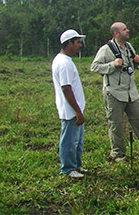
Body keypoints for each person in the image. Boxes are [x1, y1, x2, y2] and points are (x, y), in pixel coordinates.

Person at [90, 22, 139, 162]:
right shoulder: (106, 49)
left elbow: (130, 66)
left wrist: (137, 62)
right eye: (124, 29)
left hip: (130, 92)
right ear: (116, 33)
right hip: (114, 92)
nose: (127, 31)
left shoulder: (129, 47)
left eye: (127, 28)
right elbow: (94, 67)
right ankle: (118, 154)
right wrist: (112, 65)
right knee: (116, 124)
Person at [52, 29, 88, 179]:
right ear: (69, 43)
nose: (80, 45)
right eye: (77, 42)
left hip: (75, 109)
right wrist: (77, 111)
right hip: (71, 111)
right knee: (69, 141)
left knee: (77, 141)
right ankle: (68, 169)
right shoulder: (64, 63)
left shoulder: (66, 61)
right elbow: (66, 89)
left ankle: (76, 165)